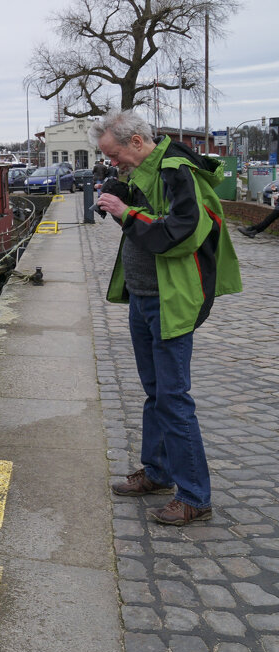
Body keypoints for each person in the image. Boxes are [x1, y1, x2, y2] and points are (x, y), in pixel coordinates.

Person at [90, 110, 242, 526]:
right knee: (156, 392)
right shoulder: (144, 169)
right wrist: (114, 193)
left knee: (174, 398)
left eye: (115, 154)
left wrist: (125, 211)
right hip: (144, 297)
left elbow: (180, 231)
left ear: (136, 142)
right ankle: (158, 473)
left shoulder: (178, 171)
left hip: (171, 300)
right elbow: (136, 205)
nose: (114, 162)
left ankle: (194, 495)